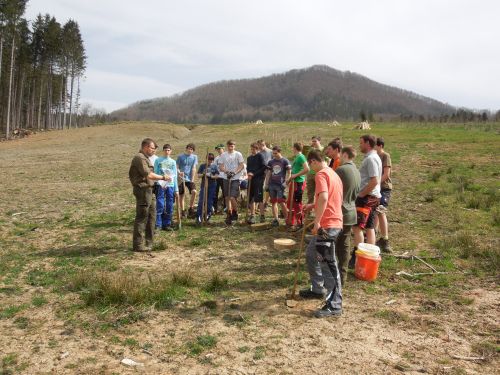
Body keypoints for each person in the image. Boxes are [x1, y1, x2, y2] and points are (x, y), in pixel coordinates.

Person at [300, 150, 343, 318]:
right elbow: (329, 197)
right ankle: (318, 289)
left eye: (310, 165)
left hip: (328, 225)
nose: (310, 168)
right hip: (332, 222)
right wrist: (312, 205)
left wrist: (317, 222)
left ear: (313, 162)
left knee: (328, 265)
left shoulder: (321, 175)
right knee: (311, 253)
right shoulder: (333, 173)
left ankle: (335, 305)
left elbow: (325, 197)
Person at [129, 138, 170, 252]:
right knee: (142, 217)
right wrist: (162, 177)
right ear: (146, 147)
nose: (154, 151)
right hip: (142, 190)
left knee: (152, 216)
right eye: (152, 148)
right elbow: (148, 174)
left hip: (150, 190)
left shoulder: (146, 158)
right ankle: (138, 245)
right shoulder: (139, 158)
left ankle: (149, 243)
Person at [349, 135, 382, 268]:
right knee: (369, 227)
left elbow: (374, 180)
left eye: (361, 143)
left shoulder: (371, 159)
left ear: (368, 143)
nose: (359, 145)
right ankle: (369, 257)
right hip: (373, 197)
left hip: (367, 198)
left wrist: (361, 194)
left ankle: (357, 256)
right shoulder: (373, 157)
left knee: (357, 227)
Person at [334, 146, 361, 285]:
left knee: (333, 244)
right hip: (351, 211)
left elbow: (332, 190)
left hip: (340, 212)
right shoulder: (356, 170)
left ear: (344, 154)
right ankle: (342, 275)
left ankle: (333, 276)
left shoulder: (341, 170)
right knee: (344, 245)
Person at [217, 140, 245, 225]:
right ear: (227, 146)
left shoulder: (238, 154)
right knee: (227, 197)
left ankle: (235, 212)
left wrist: (234, 172)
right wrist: (226, 172)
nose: (230, 147)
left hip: (235, 178)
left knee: (232, 197)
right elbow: (221, 166)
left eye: (232, 146)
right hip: (226, 178)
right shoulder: (223, 155)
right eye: (229, 146)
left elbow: (241, 165)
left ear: (234, 146)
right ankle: (229, 214)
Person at [264, 145, 291, 227]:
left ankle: (287, 219)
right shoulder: (271, 162)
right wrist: (266, 183)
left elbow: (289, 173)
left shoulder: (285, 161)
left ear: (280, 152)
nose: (274, 155)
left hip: (280, 185)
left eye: (275, 153)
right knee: (273, 202)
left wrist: (286, 182)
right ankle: (276, 219)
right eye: (273, 153)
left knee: (282, 202)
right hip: (272, 184)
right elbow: (268, 173)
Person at [154, 144, 179, 231]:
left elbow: (175, 176)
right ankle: (158, 224)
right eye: (165, 150)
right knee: (160, 203)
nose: (167, 151)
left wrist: (176, 189)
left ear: (171, 151)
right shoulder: (158, 160)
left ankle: (167, 223)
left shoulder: (173, 162)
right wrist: (158, 182)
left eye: (168, 150)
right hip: (161, 184)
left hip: (170, 185)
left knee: (169, 204)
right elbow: (155, 173)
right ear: (163, 151)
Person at [375, 137, 393, 253]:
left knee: (381, 211)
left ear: (380, 146)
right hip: (376, 188)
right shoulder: (374, 157)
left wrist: (375, 183)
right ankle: (373, 234)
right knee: (375, 210)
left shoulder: (385, 156)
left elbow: (386, 174)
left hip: (384, 188)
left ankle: (385, 240)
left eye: (374, 145)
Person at [286, 142, 309, 229]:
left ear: (295, 148)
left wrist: (295, 176)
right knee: (290, 202)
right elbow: (294, 170)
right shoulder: (297, 157)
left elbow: (307, 169)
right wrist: (289, 179)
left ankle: (300, 223)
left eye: (293, 148)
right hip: (294, 182)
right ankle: (291, 222)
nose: (292, 149)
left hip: (299, 182)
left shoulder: (301, 157)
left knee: (297, 202)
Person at [195, 153, 219, 226]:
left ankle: (207, 216)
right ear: (206, 159)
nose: (210, 161)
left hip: (212, 186)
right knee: (201, 201)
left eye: (212, 160)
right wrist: (203, 174)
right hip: (204, 185)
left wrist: (211, 176)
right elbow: (198, 175)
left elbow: (217, 175)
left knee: (209, 202)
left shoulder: (214, 166)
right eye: (209, 159)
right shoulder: (202, 166)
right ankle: (199, 217)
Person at [246, 142, 267, 224]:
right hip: (250, 180)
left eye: (254, 149)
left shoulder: (260, 156)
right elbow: (248, 168)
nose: (252, 150)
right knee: (251, 198)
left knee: (259, 198)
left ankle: (262, 216)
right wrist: (249, 173)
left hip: (258, 179)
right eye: (251, 149)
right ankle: (252, 215)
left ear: (257, 149)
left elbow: (264, 167)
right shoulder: (249, 158)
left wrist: (254, 174)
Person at [177, 143, 198, 218]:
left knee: (194, 191)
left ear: (193, 151)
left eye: (191, 149)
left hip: (189, 179)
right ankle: (182, 211)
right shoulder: (180, 157)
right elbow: (177, 167)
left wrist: (192, 179)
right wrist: (179, 173)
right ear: (186, 149)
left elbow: (194, 168)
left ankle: (191, 208)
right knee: (181, 195)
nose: (190, 150)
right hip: (181, 178)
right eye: (188, 148)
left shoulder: (194, 157)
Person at [306, 136, 328, 204]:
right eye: (312, 141)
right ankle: (309, 208)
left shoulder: (323, 150)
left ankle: (319, 206)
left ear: (319, 141)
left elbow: (327, 160)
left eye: (315, 141)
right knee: (310, 192)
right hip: (310, 173)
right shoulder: (311, 150)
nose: (313, 143)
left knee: (320, 192)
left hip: (320, 174)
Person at [213, 144, 225, 214]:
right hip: (217, 177)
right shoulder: (216, 158)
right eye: (217, 149)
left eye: (220, 149)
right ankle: (215, 208)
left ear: (223, 149)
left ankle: (225, 208)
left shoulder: (226, 157)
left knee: (225, 193)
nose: (218, 150)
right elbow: (214, 167)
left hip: (224, 177)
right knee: (215, 193)